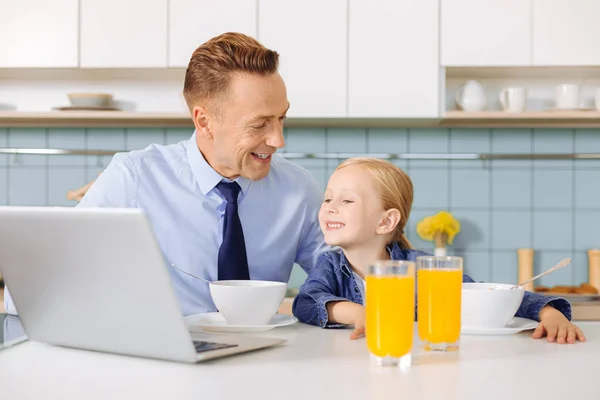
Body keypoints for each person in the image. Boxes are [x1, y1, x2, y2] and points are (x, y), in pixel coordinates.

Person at [4, 32, 326, 316]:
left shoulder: (297, 190)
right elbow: (49, 285)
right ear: (203, 122)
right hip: (162, 367)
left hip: (265, 364)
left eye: (281, 118)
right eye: (259, 124)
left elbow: (341, 276)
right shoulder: (133, 179)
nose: (278, 140)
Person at [292, 157, 586, 345]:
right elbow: (305, 303)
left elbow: (484, 294)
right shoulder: (330, 266)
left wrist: (549, 313)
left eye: (347, 201)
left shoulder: (423, 267)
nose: (329, 206)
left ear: (385, 221)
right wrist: (359, 313)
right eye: (328, 198)